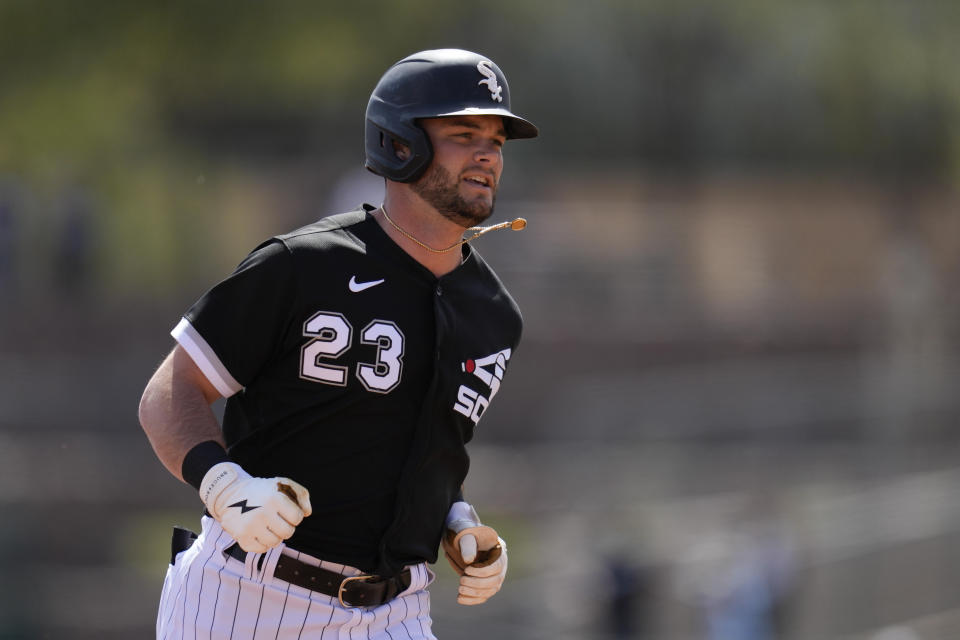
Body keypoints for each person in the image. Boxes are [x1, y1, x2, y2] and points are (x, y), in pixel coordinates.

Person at [139, 48, 538, 639]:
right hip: (247, 596)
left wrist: (455, 519)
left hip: (396, 610)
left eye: (497, 140)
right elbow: (170, 394)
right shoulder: (304, 265)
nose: (487, 153)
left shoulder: (494, 313)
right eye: (463, 132)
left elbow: (416, 440)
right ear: (401, 143)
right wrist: (223, 485)